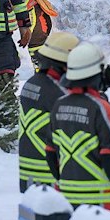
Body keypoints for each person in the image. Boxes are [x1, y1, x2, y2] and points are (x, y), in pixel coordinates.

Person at [46, 42, 110, 216]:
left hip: (68, 201)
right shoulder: (102, 109)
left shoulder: (58, 106)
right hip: (102, 205)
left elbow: (50, 154)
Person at [17, 31, 79, 192]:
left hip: (28, 174)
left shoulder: (32, 83)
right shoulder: (57, 93)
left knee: (31, 217)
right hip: (52, 178)